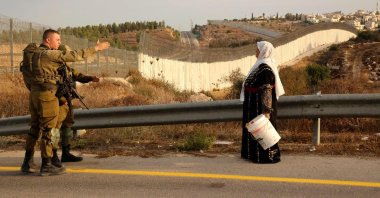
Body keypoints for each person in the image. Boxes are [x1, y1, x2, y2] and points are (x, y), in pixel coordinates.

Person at [20, 29, 110, 176]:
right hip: (48, 96)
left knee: (35, 128)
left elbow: (69, 72)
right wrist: (96, 48)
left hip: (35, 95)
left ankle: (27, 162)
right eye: (58, 40)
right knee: (50, 130)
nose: (59, 43)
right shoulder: (49, 55)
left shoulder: (34, 55)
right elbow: (75, 55)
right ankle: (47, 164)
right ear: (48, 40)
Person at [240, 41, 285, 163]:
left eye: (257, 49)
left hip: (259, 108)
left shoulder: (265, 69)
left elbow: (267, 90)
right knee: (254, 130)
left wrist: (266, 111)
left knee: (263, 131)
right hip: (252, 106)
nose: (256, 51)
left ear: (263, 51)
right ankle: (251, 154)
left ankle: (266, 157)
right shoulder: (259, 66)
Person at [55, 44, 100, 163]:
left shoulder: (67, 68)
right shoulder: (53, 68)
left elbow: (79, 76)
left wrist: (91, 78)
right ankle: (52, 155)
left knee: (67, 127)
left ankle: (65, 153)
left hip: (67, 103)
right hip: (57, 104)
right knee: (54, 129)